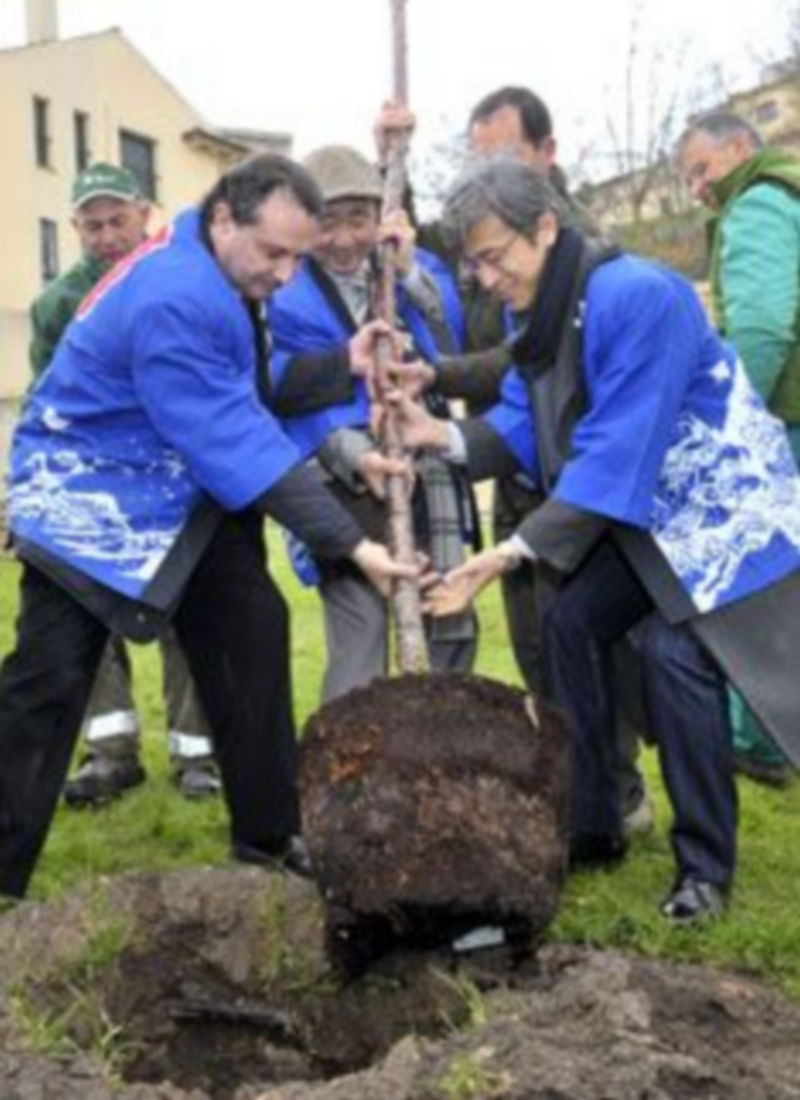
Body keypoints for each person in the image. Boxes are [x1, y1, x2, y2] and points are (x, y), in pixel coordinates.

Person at [388, 156, 800, 923]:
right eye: (470, 261)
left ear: (545, 227)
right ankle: (594, 824)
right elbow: (519, 418)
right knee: (571, 620)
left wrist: (510, 552)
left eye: (491, 255)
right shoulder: (538, 311)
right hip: (645, 516)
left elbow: (617, 445)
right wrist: (436, 434)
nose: (481, 277)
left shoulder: (638, 295)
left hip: (719, 512)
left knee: (675, 657)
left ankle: (704, 869)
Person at [0, 153, 417, 899]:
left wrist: (342, 364)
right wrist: (353, 542)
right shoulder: (175, 293)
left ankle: (269, 835)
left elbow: (249, 387)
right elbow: (233, 437)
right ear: (226, 218)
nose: (285, 274)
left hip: (177, 491)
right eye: (273, 252)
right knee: (50, 680)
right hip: (88, 496)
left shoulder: (218, 269)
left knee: (251, 630)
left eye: (296, 256)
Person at [376, 88, 652, 833]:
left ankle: (616, 790)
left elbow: (527, 357)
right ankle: (579, 784)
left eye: (502, 152)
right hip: (521, 454)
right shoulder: (488, 236)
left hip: (582, 470)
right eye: (477, 153)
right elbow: (429, 258)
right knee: (539, 638)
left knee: (598, 639)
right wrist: (390, 159)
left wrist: (444, 379)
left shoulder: (576, 251)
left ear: (545, 154)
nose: (487, 166)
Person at [29, 161, 220, 804]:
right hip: (96, 481)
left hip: (170, 474)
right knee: (91, 616)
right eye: (92, 225)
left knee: (180, 612)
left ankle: (198, 754)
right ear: (77, 229)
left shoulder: (178, 280)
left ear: (146, 214)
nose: (107, 235)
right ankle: (110, 754)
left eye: (118, 220)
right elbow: (48, 400)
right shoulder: (57, 306)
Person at [268, 145, 478, 701]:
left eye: (358, 221)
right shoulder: (284, 290)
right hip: (344, 482)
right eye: (327, 224)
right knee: (359, 636)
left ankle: (442, 756)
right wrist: (356, 439)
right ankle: (346, 770)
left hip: (425, 467)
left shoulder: (408, 270)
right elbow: (279, 385)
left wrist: (407, 274)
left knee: (445, 613)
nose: (343, 240)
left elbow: (452, 348)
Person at [676, 111, 800, 787]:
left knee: (761, 583)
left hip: (786, 418)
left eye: (702, 169)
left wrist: (735, 421)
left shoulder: (756, 205)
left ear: (740, 149)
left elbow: (761, 325)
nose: (698, 188)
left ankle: (759, 737)